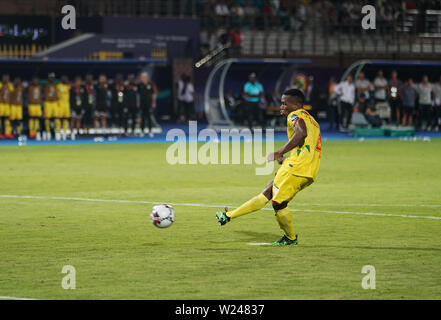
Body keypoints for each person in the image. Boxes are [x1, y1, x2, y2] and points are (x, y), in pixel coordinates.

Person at [215, 89, 322, 246]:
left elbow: (301, 134)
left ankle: (290, 238)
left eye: (285, 103)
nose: (282, 106)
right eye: (281, 103)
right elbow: (308, 145)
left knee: (278, 203)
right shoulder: (312, 120)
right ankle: (228, 216)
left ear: (297, 104)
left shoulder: (295, 115)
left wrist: (280, 152)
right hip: (305, 167)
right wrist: (286, 158)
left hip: (297, 168)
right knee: (267, 192)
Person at [138, 71, 158, 137]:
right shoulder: (139, 84)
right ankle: (142, 131)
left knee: (149, 117)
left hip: (149, 103)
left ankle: (150, 131)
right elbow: (137, 95)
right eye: (142, 77)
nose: (143, 78)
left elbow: (154, 94)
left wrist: (154, 102)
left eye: (144, 77)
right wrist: (138, 102)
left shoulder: (150, 84)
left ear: (147, 77)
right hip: (142, 103)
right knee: (142, 117)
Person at [43, 73, 59, 140]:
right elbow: (46, 96)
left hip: (54, 103)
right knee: (47, 118)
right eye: (50, 77)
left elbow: (57, 96)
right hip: (48, 103)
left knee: (57, 118)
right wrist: (51, 98)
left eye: (53, 77)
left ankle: (57, 132)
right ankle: (48, 132)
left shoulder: (56, 85)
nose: (52, 79)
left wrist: (54, 98)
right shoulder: (46, 86)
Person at [0, 74, 14, 139]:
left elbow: (13, 92)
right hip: (1, 103)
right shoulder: (0, 84)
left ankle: (7, 133)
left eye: (7, 78)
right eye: (4, 78)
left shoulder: (9, 85)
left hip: (7, 104)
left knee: (7, 119)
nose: (6, 79)